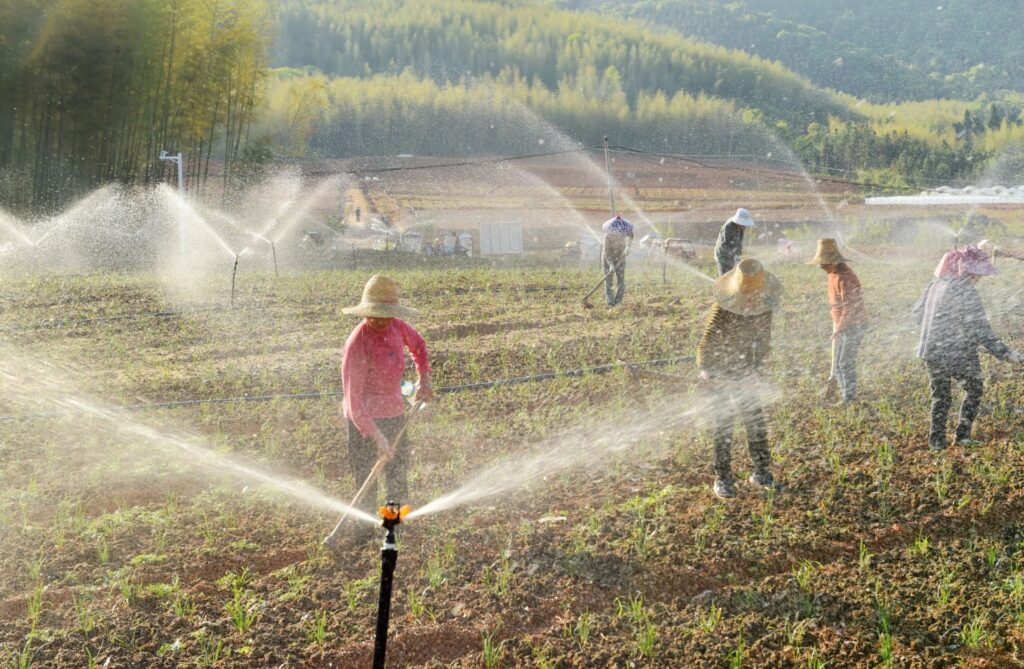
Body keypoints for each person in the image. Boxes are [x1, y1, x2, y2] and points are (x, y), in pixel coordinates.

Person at [340, 275, 433, 513]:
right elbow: (353, 400)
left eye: (386, 314)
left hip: (394, 414)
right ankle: (363, 534)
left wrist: (424, 379)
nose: (381, 320)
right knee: (366, 480)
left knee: (397, 476)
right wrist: (376, 436)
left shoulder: (398, 328)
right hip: (364, 423)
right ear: (365, 312)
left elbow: (419, 346)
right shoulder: (357, 343)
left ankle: (393, 527)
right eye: (374, 314)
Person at [914, 246, 1021, 450]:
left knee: (940, 396)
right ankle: (962, 435)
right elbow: (982, 329)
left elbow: (917, 314)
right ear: (968, 271)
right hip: (954, 352)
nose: (979, 279)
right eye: (977, 274)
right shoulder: (966, 290)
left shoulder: (935, 284)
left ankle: (936, 442)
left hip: (931, 350)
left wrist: (938, 333)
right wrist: (1007, 354)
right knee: (974, 388)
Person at [696, 257, 784, 499]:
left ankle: (762, 473)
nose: (748, 302)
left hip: (745, 370)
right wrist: (705, 369)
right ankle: (722, 477)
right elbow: (706, 341)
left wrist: (754, 371)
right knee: (723, 424)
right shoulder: (722, 308)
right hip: (719, 368)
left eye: (752, 297)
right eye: (745, 296)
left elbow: (763, 344)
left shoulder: (764, 308)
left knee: (755, 422)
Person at [807, 238, 868, 402]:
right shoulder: (832, 274)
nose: (821, 267)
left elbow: (851, 306)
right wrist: (837, 325)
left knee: (844, 362)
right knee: (841, 362)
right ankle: (845, 394)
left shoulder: (845, 278)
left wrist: (839, 327)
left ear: (833, 261)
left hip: (854, 324)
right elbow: (837, 305)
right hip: (843, 324)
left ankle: (849, 398)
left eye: (824, 263)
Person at [601, 214, 634, 306]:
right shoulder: (607, 236)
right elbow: (606, 251)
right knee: (608, 281)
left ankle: (618, 301)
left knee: (621, 280)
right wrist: (611, 264)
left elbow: (631, 237)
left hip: (621, 257)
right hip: (608, 258)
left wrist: (628, 247)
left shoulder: (626, 230)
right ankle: (610, 303)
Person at [714, 207, 754, 276]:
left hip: (733, 256)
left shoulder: (742, 227)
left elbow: (739, 242)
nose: (743, 225)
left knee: (733, 276)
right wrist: (733, 255)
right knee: (725, 276)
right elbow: (724, 245)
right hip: (723, 256)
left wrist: (738, 254)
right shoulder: (728, 227)